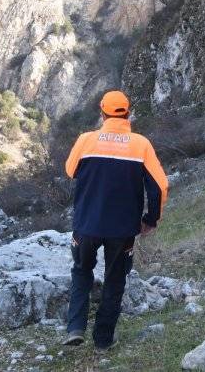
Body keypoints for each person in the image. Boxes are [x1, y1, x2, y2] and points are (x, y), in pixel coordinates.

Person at [63, 91, 168, 350]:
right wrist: (151, 219)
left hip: (86, 224)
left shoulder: (86, 140)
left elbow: (70, 170)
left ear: (102, 113)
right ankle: (103, 340)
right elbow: (160, 186)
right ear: (128, 113)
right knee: (115, 279)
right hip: (122, 229)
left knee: (81, 272)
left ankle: (75, 327)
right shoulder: (141, 144)